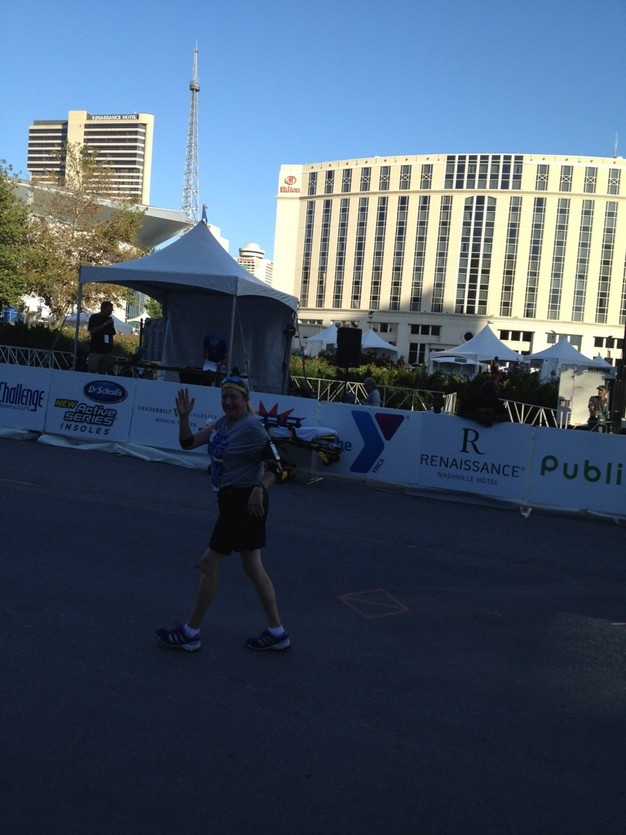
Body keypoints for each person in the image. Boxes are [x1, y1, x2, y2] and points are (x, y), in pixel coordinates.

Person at [156, 376, 289, 653]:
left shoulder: (252, 427)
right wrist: (184, 417)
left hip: (245, 503)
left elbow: (277, 467)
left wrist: (259, 488)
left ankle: (191, 632)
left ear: (245, 400)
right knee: (252, 566)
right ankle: (277, 632)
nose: (228, 402)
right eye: (224, 397)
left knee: (209, 563)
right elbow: (188, 443)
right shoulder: (222, 424)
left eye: (234, 397)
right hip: (231, 501)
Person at [87, 301, 116, 374]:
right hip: (96, 350)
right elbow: (92, 331)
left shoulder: (109, 319)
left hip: (107, 351)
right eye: (109, 310)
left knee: (105, 372)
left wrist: (112, 347)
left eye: (111, 310)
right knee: (92, 370)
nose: (110, 312)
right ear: (103, 309)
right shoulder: (94, 317)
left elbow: (112, 334)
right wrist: (105, 324)